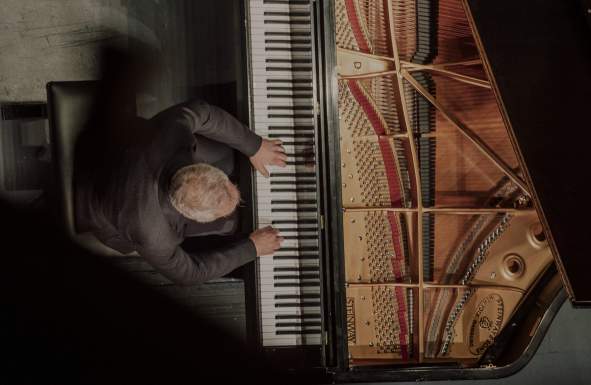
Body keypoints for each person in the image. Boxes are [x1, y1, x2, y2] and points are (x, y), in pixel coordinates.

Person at [75, 96, 287, 285]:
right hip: (95, 205)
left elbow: (204, 112)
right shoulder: (156, 239)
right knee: (229, 227)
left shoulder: (170, 133)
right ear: (193, 217)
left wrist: (254, 146)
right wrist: (252, 248)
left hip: (109, 146)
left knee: (228, 153)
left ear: (201, 168)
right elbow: (189, 274)